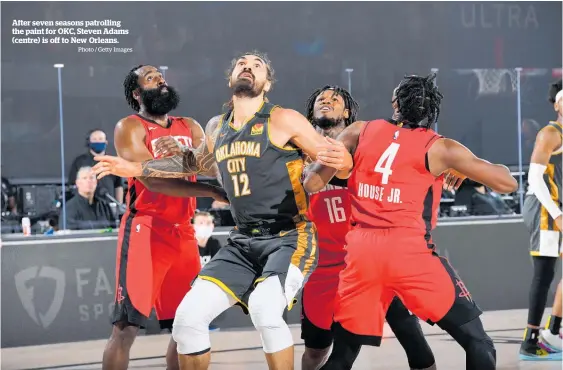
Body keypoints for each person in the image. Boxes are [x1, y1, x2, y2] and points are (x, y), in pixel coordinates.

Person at [93, 50, 353, 370]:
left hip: (288, 235)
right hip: (238, 241)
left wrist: (339, 164)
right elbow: (192, 163)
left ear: (267, 84)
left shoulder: (283, 118)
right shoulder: (215, 127)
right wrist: (135, 165)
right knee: (186, 320)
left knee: (263, 308)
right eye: (242, 63)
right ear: (230, 79)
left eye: (257, 65)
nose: (248, 66)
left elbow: (337, 162)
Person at [304, 74, 518, 370]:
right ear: (433, 110)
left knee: (343, 356)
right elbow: (508, 183)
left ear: (395, 104)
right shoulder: (441, 149)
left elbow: (313, 183)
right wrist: (466, 167)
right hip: (408, 253)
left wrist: (339, 165)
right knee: (478, 342)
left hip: (362, 255)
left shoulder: (359, 130)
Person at [301, 85, 436, 370]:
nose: (327, 102)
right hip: (321, 269)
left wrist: (453, 167)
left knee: (415, 344)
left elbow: (416, 158)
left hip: (368, 263)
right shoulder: (297, 152)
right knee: (315, 352)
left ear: (347, 112)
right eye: (321, 99)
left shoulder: (368, 145)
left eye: (334, 99)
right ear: (311, 111)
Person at [101, 65, 227, 370]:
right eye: (151, 79)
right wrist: (199, 177)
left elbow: (210, 166)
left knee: (187, 325)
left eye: (161, 77)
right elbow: (153, 180)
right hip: (146, 230)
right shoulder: (129, 127)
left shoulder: (190, 125)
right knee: (125, 329)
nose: (161, 81)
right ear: (137, 93)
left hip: (183, 233)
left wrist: (190, 162)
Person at [520, 79, 563, 360]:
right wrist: (558, 214)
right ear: (558, 105)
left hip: (556, 207)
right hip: (545, 208)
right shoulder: (550, 132)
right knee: (544, 273)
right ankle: (531, 340)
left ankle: (552, 330)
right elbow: (535, 178)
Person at [68, 128, 124, 203]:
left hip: (108, 207)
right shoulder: (79, 162)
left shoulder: (113, 162)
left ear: (106, 142)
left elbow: (118, 186)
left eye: (100, 139)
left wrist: (118, 206)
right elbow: (73, 185)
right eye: (94, 139)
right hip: (86, 206)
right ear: (89, 142)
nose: (98, 141)